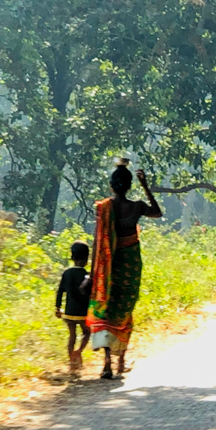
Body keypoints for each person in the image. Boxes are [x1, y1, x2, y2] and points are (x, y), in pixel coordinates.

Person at [86, 159, 162, 379]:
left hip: (108, 267)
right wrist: (146, 186)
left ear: (111, 185)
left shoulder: (104, 208)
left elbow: (98, 242)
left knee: (107, 310)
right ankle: (121, 361)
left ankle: (107, 363)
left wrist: (92, 274)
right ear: (130, 186)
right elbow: (157, 212)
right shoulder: (137, 207)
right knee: (124, 310)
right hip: (130, 265)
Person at [55, 241, 91, 372]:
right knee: (87, 332)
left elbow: (60, 291)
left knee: (72, 336)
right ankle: (79, 351)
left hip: (69, 311)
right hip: (83, 312)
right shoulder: (87, 275)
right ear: (87, 259)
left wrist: (57, 307)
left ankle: (71, 361)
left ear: (72, 257)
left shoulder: (67, 273)